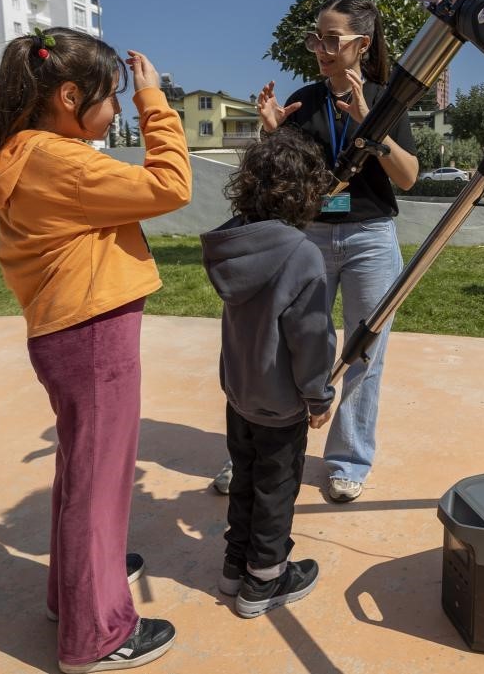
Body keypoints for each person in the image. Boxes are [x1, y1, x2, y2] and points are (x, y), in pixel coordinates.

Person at [0, 28, 191, 674]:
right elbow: (171, 186)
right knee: (99, 481)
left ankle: (77, 592)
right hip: (92, 331)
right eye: (111, 96)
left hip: (68, 330)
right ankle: (97, 634)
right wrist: (154, 102)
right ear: (69, 97)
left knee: (81, 470)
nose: (117, 108)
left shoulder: (28, 151)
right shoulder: (65, 161)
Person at [216, 0, 418, 503]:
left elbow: (408, 177)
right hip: (307, 238)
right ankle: (264, 451)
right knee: (286, 344)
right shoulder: (303, 100)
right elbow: (285, 174)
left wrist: (370, 125)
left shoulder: (386, 100)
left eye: (332, 40)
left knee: (363, 352)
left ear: (362, 44)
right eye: (317, 39)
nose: (321, 50)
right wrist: (272, 131)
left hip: (371, 238)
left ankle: (349, 459)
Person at [200, 128, 336, 618]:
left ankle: (234, 565)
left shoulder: (235, 244)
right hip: (281, 404)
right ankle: (264, 579)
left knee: (245, 480)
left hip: (239, 394)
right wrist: (318, 397)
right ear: (306, 192)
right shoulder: (301, 254)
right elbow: (311, 338)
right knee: (276, 490)